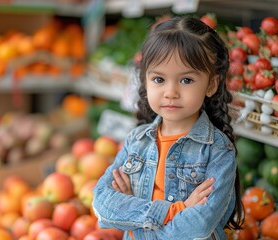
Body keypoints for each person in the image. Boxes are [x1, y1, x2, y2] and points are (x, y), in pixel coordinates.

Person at [92, 16, 244, 240]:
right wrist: (176, 210)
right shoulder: (137, 141)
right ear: (145, 80)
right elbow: (102, 203)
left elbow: (199, 225)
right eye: (159, 79)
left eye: (186, 81)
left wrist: (133, 214)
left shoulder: (218, 151)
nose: (170, 92)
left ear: (211, 84)